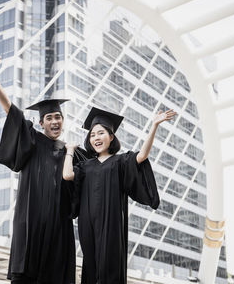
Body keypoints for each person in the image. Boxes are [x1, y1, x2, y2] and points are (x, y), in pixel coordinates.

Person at [0, 48, 82, 284]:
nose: (54, 121)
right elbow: (10, 110)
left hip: (59, 231)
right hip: (31, 224)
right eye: (49, 118)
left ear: (63, 120)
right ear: (41, 122)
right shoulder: (32, 140)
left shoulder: (72, 152)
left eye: (58, 117)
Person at [63, 106, 176, 284]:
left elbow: (143, 155)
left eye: (101, 133)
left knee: (109, 265)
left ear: (111, 137)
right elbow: (67, 175)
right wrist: (69, 150)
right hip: (87, 223)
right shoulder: (85, 166)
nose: (96, 138)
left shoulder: (121, 161)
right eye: (92, 135)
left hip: (111, 222)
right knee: (90, 266)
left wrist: (154, 126)